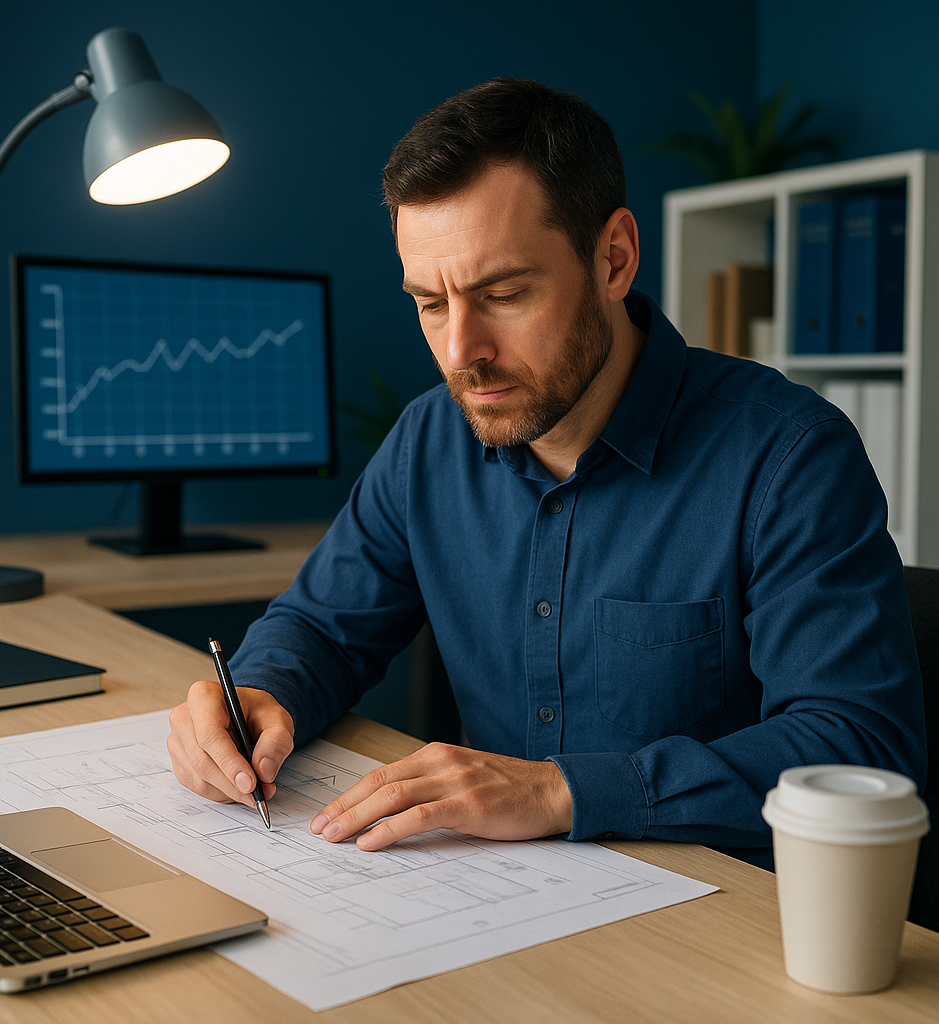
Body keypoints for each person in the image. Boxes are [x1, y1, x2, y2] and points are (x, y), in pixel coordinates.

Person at [167, 78, 927, 868]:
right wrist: (259, 694)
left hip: (718, 932)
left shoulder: (789, 456)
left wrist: (561, 791)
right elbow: (323, 627)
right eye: (431, 303)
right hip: (496, 907)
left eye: (503, 293)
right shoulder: (430, 439)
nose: (462, 351)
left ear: (614, 258)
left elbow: (860, 753)